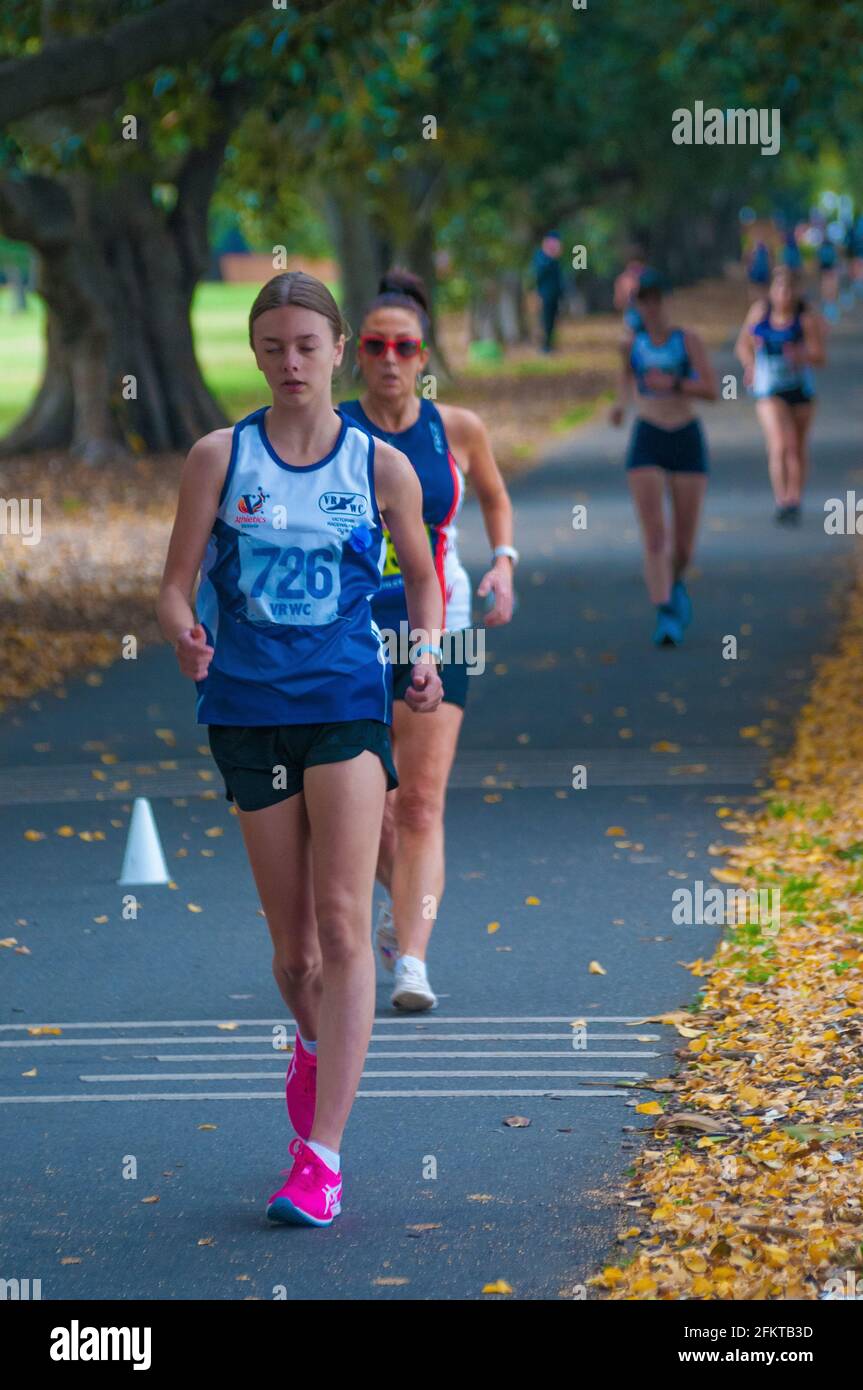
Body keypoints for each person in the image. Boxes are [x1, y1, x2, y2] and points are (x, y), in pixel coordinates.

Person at [156, 271, 444, 1227]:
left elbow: (424, 574)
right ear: (256, 353)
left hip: (343, 705)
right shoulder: (218, 457)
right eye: (273, 347)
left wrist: (427, 651)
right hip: (243, 709)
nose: (290, 363)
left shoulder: (377, 467)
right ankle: (315, 1049)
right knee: (293, 957)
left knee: (343, 923)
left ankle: (321, 1155)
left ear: (335, 350)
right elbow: (173, 584)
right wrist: (182, 631)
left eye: (306, 347)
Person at [340, 268, 516, 1010]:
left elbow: (495, 496)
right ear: (356, 354)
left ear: (422, 356)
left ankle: (411, 960)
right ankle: (403, 903)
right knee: (362, 804)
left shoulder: (458, 429)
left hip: (440, 627)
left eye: (402, 346)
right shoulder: (331, 429)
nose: (388, 358)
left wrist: (504, 565)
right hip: (346, 632)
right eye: (375, 344)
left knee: (418, 805)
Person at [609, 269, 718, 646]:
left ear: (666, 302)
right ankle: (666, 611)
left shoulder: (687, 341)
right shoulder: (631, 344)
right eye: (644, 300)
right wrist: (620, 407)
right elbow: (624, 382)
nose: (651, 307)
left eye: (657, 299)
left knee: (684, 545)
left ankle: (675, 584)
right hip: (648, 439)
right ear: (637, 305)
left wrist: (674, 383)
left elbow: (712, 389)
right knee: (656, 537)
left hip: (686, 436)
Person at [734, 265, 827, 524]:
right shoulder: (760, 314)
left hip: (800, 389)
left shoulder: (805, 319)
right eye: (779, 288)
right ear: (772, 291)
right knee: (779, 444)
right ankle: (781, 499)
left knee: (796, 447)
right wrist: (750, 365)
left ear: (797, 291)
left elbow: (820, 357)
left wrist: (803, 355)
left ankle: (794, 498)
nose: (784, 293)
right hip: (769, 390)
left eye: (789, 288)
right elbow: (742, 345)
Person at [532, 231, 565, 352]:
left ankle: (549, 345)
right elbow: (538, 274)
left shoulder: (556, 259)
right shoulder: (541, 257)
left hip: (555, 295)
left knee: (552, 321)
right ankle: (544, 346)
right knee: (544, 321)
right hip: (544, 295)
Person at [614, 247, 648, 333]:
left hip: (646, 318)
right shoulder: (623, 280)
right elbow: (618, 303)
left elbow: (617, 303)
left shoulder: (649, 279)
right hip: (633, 317)